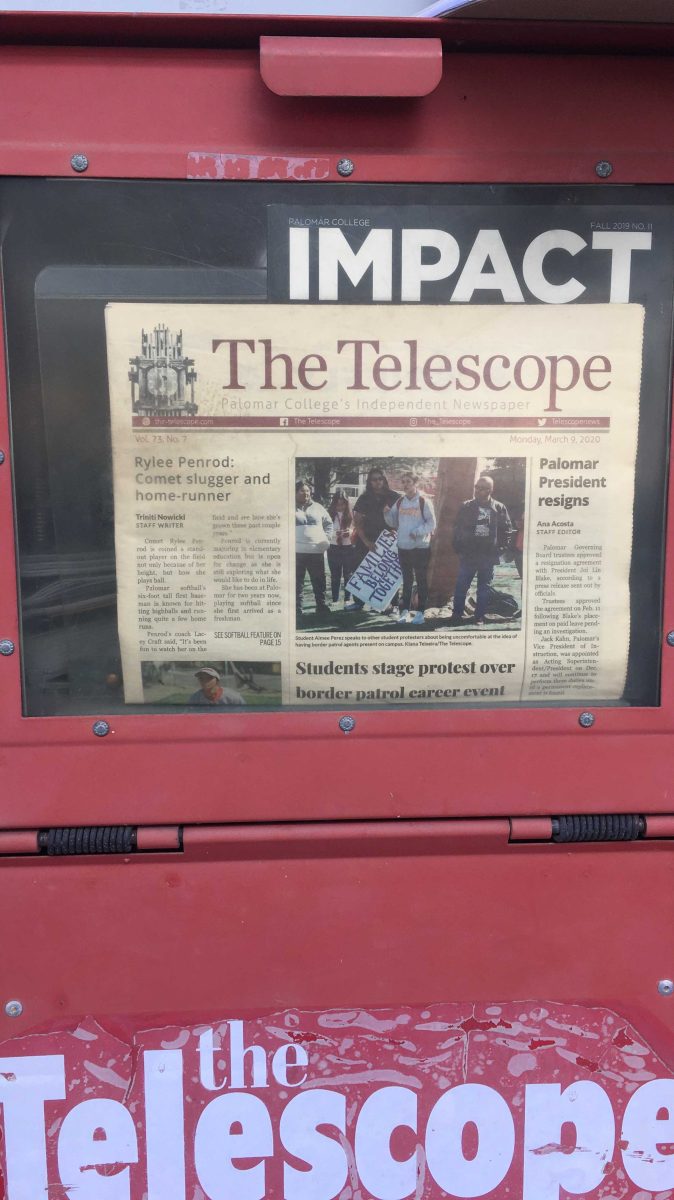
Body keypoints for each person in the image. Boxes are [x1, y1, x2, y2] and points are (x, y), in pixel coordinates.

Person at [450, 475, 512, 626]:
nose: (477, 490)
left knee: (484, 588)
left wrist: (499, 550)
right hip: (469, 555)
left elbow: (507, 530)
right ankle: (456, 615)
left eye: (482, 488)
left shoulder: (499, 507)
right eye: (476, 487)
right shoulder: (466, 506)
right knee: (461, 586)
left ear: (490, 490)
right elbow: (456, 529)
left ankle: (479, 617)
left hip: (487, 556)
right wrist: (459, 548)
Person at [384, 471, 436, 625]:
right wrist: (386, 514)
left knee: (421, 580)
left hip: (420, 547)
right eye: (403, 482)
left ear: (415, 484)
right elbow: (393, 523)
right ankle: (404, 612)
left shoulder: (423, 501)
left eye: (408, 482)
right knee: (406, 581)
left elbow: (432, 523)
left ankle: (420, 613)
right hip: (403, 546)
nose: (405, 485)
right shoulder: (400, 502)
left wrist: (417, 532)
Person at [345, 467, 400, 611]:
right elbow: (357, 522)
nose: (377, 482)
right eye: (374, 480)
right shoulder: (364, 498)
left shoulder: (394, 496)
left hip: (388, 541)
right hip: (367, 541)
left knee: (388, 572)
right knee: (360, 569)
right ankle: (358, 602)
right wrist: (366, 542)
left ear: (384, 480)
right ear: (369, 482)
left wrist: (396, 532)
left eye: (380, 479)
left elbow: (402, 518)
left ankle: (392, 604)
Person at [295, 479, 332, 619]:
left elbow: (328, 523)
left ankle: (321, 606)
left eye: (307, 491)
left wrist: (327, 538)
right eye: (302, 490)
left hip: (316, 552)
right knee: (297, 582)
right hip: (296, 553)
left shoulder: (318, 507)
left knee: (319, 580)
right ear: (295, 492)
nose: (305, 493)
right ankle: (297, 609)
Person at [327, 490, 356, 606]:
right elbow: (324, 530)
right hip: (334, 547)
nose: (340, 507)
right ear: (334, 504)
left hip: (348, 547)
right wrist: (335, 534)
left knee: (348, 574)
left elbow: (357, 529)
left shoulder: (352, 514)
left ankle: (347, 599)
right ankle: (335, 599)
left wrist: (350, 531)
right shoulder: (329, 515)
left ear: (347, 503)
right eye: (338, 504)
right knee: (335, 574)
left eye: (343, 504)